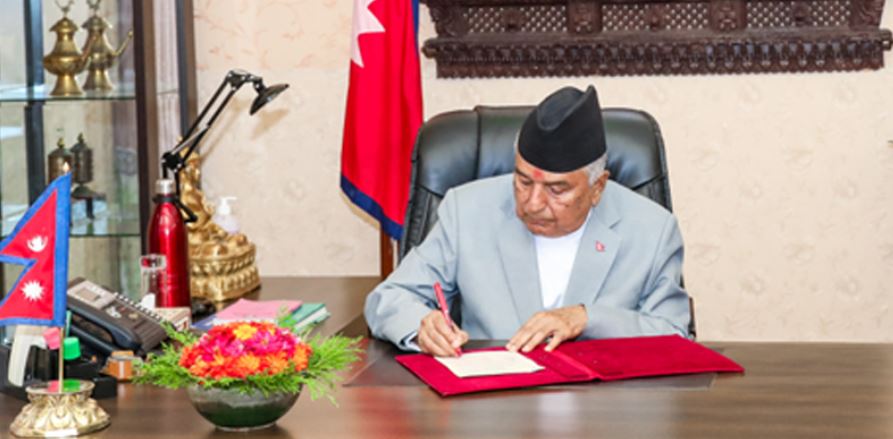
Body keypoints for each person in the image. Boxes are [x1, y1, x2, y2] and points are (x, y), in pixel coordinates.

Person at [364, 85, 691, 357]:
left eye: (556, 189)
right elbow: (389, 298)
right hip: (491, 403)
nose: (532, 204)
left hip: (604, 407)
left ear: (597, 187)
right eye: (522, 181)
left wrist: (586, 319)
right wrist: (423, 327)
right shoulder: (467, 211)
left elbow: (674, 334)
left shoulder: (652, 229)